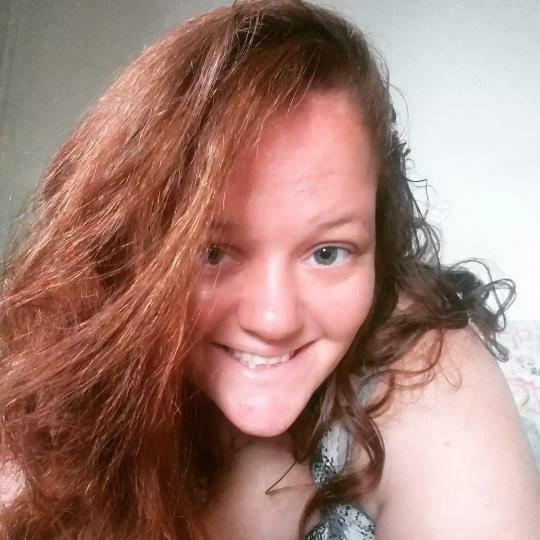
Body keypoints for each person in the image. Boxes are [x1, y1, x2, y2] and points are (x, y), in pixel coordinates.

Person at [0, 1, 538, 538]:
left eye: (327, 253)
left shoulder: (425, 365)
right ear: (127, 247)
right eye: (212, 253)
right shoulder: (42, 393)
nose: (274, 319)